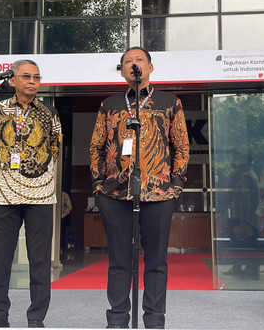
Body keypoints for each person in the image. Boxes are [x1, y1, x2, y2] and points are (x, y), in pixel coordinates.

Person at [89, 46, 190, 329]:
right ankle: (117, 320)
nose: (134, 65)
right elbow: (96, 145)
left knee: (156, 262)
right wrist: (98, 184)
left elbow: (181, 145)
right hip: (115, 193)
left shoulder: (170, 101)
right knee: (119, 260)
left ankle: (155, 320)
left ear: (150, 67)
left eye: (139, 60)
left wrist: (176, 185)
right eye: (128, 61)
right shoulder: (110, 104)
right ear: (121, 71)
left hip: (159, 194)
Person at [0, 59, 62, 328]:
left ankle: (36, 317)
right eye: (26, 76)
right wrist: (10, 174)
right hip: (5, 193)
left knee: (39, 260)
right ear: (13, 80)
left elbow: (55, 146)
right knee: (0, 258)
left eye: (37, 77)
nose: (32, 82)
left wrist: (35, 172)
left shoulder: (50, 112)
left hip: (39, 194)